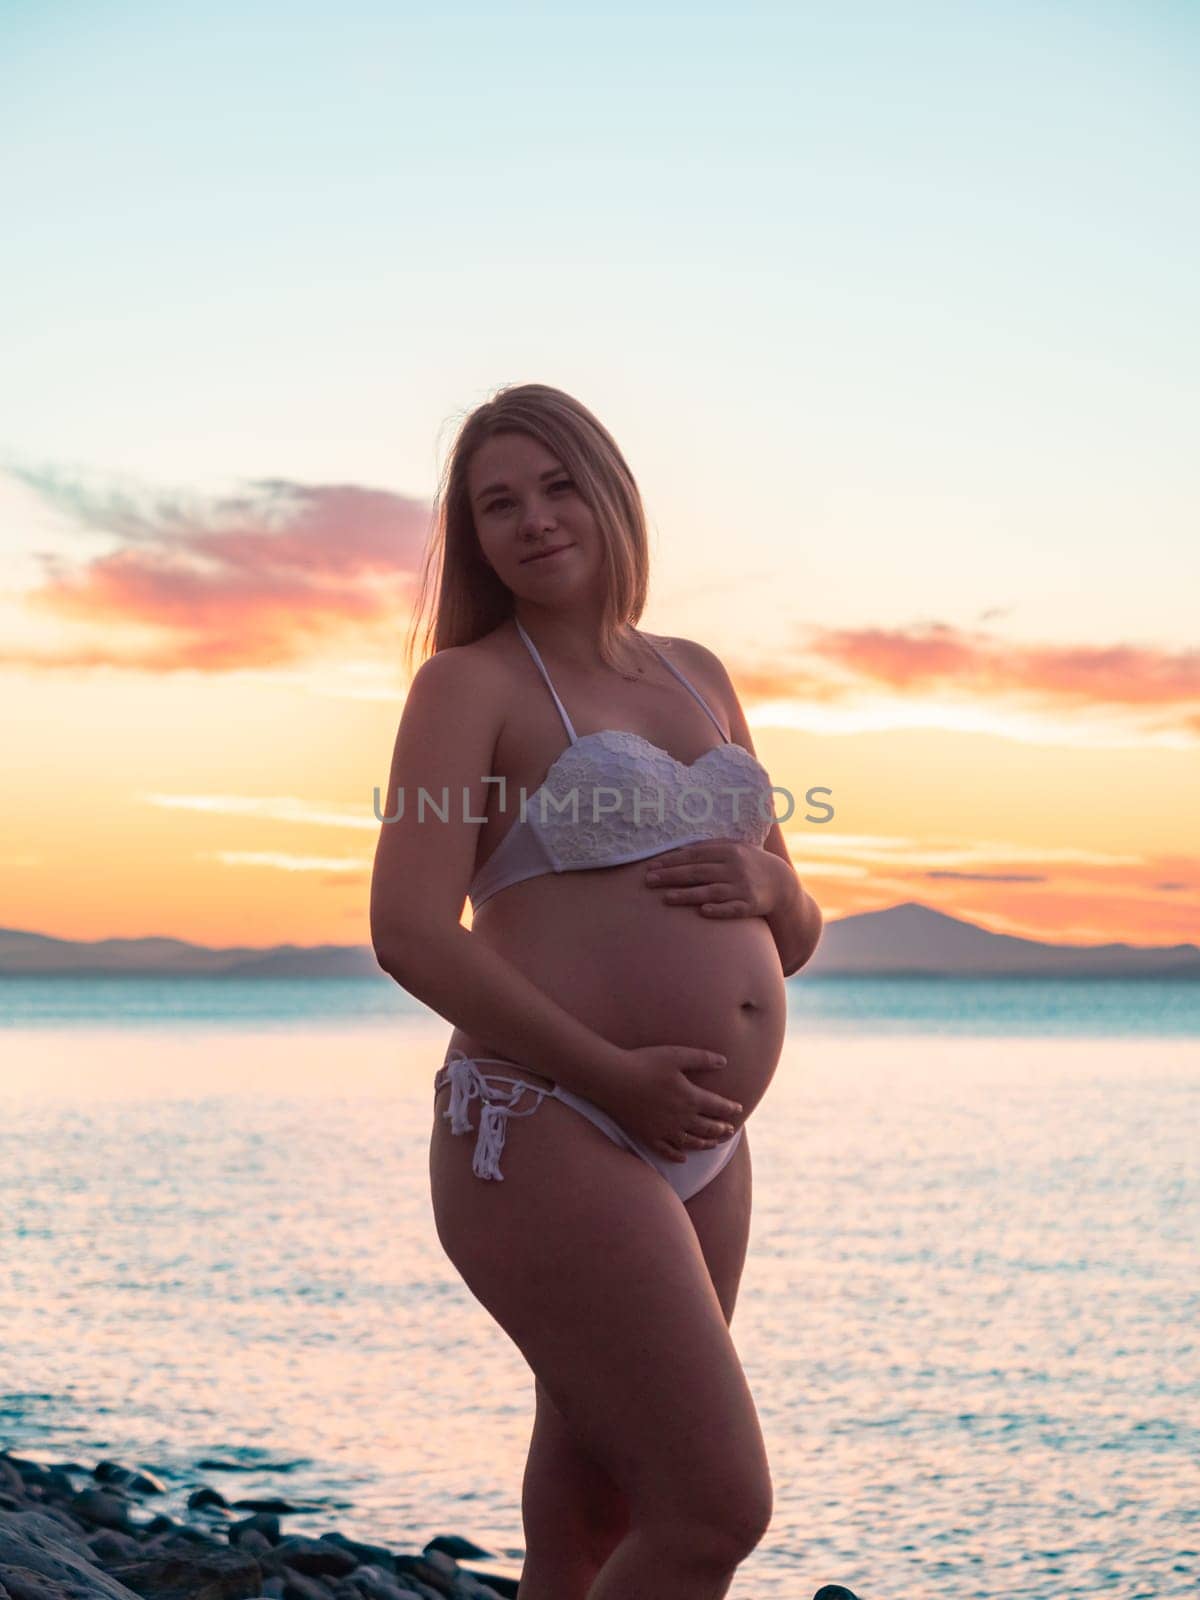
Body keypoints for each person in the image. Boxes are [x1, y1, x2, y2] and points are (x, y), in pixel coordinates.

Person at [371, 383, 826, 1600]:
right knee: (716, 1505)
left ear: (610, 492)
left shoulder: (699, 676)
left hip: (704, 1144)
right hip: (544, 1121)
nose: (533, 520)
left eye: (557, 485)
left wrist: (769, 888)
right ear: (475, 538)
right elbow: (407, 931)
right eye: (498, 504)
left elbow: (798, 924)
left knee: (594, 1515)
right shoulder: (469, 687)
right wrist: (611, 1072)